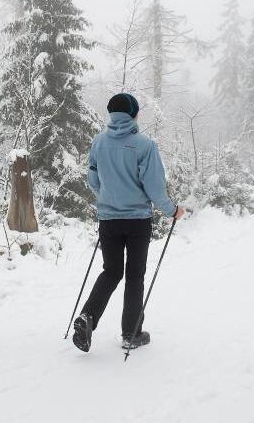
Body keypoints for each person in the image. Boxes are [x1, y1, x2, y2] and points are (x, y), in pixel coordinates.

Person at [72, 93, 184, 353]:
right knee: (135, 276)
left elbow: (93, 181)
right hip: (137, 222)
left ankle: (87, 317)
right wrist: (173, 210)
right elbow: (155, 189)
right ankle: (130, 333)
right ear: (133, 114)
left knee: (111, 272)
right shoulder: (144, 145)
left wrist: (109, 199)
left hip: (108, 220)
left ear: (112, 115)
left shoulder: (98, 143)